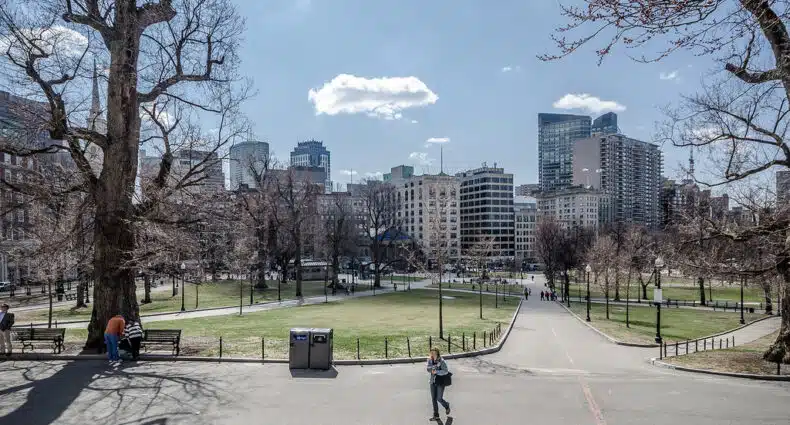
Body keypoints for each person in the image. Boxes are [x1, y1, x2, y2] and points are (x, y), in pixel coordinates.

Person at [427, 347, 451, 421]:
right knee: (433, 399)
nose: (433, 354)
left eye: (434, 353)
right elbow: (428, 369)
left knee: (439, 398)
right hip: (432, 382)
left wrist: (437, 372)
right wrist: (432, 369)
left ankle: (446, 405)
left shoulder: (441, 361)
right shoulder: (430, 360)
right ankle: (436, 415)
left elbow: (446, 371)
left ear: (437, 353)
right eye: (431, 353)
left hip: (440, 382)